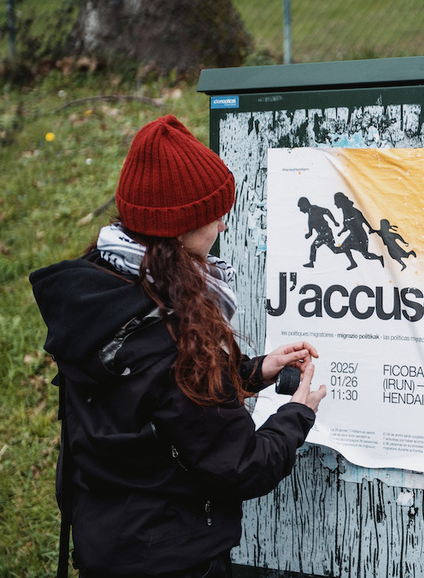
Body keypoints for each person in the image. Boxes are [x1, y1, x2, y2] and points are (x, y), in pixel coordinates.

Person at [29, 115, 327, 578]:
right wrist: (298, 413)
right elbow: (241, 465)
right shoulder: (174, 337)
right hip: (172, 556)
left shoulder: (102, 291)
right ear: (180, 227)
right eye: (213, 214)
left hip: (107, 541)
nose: (223, 223)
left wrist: (251, 371)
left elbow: (155, 406)